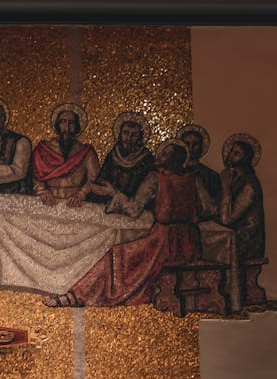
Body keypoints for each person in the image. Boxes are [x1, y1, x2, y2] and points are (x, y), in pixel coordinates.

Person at [43, 139, 202, 307]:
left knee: (117, 255)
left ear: (171, 159)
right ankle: (76, 296)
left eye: (164, 154)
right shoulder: (193, 180)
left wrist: (113, 193)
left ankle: (77, 296)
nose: (159, 156)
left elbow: (133, 209)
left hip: (162, 242)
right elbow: (209, 208)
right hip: (190, 243)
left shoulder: (156, 178)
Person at [32, 101, 100, 206]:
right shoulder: (43, 149)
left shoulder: (86, 152)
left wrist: (81, 194)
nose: (67, 127)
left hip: (75, 202)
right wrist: (42, 191)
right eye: (63, 122)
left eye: (71, 123)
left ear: (77, 126)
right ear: (57, 125)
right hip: (48, 200)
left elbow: (93, 178)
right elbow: (35, 175)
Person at [217, 133, 265, 261]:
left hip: (245, 240)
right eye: (231, 151)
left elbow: (226, 220)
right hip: (233, 234)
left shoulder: (249, 185)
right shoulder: (235, 180)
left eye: (237, 153)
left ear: (246, 159)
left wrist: (226, 189)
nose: (230, 156)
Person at [89, 110, 154, 201]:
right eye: (125, 133)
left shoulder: (146, 158)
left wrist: (115, 192)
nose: (128, 138)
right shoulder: (113, 154)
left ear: (140, 137)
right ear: (120, 134)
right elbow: (102, 177)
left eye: (134, 135)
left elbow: (144, 190)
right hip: (108, 198)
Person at [178, 123, 221, 205]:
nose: (191, 148)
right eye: (187, 144)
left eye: (195, 144)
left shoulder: (212, 176)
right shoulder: (174, 172)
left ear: (201, 147)